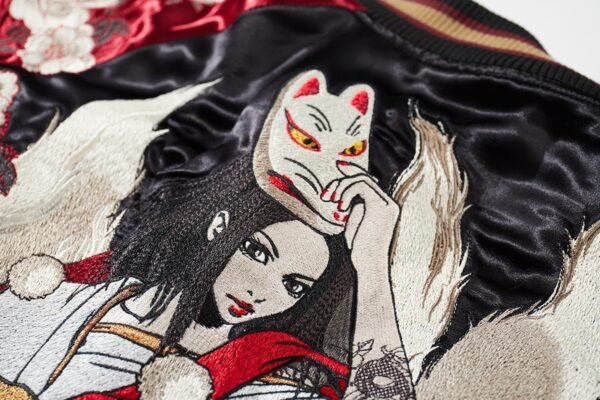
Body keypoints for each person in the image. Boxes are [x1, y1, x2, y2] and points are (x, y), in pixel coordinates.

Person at [0, 154, 411, 399]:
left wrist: (373, 267)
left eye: (294, 286)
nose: (260, 290)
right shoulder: (83, 299)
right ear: (219, 226)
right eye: (257, 252)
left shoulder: (271, 376)